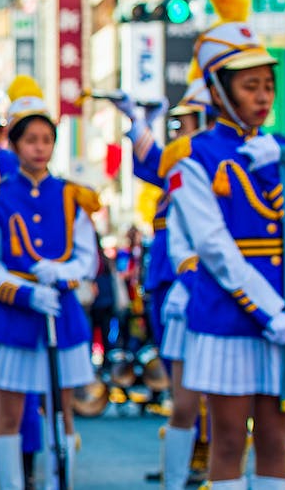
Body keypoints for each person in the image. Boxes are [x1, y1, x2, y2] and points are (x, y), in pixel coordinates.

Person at [163, 0, 285, 490]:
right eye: (249, 86)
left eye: (267, 85)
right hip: (228, 313)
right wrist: (269, 311)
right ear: (218, 91)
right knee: (227, 445)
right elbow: (214, 247)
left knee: (276, 440)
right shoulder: (192, 158)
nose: (262, 96)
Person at [0, 75, 101, 490]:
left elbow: (88, 256)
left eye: (47, 139)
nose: (40, 147)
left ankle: (56, 484)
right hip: (15, 317)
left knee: (62, 408)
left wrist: (65, 275)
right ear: (14, 143)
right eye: (31, 139)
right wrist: (25, 292)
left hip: (61, 315)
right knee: (8, 412)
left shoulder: (71, 195)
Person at [111, 75, 213, 490]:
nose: (179, 129)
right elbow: (147, 166)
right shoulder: (182, 159)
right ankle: (186, 459)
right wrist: (143, 124)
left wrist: (140, 123)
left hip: (198, 280)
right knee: (179, 378)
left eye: (186, 121)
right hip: (168, 282)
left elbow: (153, 159)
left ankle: (205, 459)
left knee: (206, 379)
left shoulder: (208, 158)